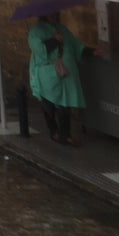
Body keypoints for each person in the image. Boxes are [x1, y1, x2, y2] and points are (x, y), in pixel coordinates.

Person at [27, 16, 88, 146]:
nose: (54, 15)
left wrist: (90, 51)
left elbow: (75, 44)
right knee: (48, 103)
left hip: (65, 74)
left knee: (65, 104)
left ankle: (65, 134)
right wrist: (54, 41)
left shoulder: (61, 28)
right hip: (47, 74)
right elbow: (39, 51)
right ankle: (53, 130)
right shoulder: (35, 32)